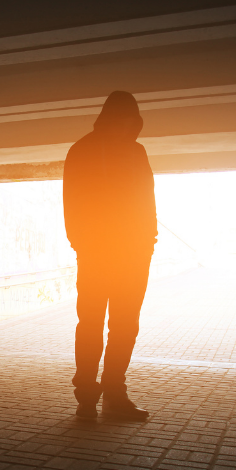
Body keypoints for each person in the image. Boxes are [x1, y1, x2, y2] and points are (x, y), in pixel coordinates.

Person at [62, 91, 156, 421]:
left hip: (129, 256)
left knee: (122, 327)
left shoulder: (135, 151)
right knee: (94, 325)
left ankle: (112, 395)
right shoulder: (84, 151)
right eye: (123, 119)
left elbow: (147, 202)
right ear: (109, 118)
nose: (127, 127)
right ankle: (90, 396)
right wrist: (83, 245)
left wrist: (147, 245)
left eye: (132, 121)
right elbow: (72, 205)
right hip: (99, 255)